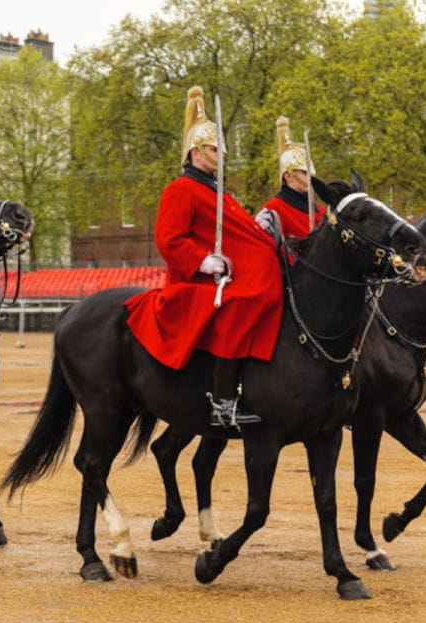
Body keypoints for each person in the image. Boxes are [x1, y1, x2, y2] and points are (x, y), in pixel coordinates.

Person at [123, 87, 284, 428]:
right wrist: (203, 260)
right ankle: (223, 402)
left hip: (227, 275)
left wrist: (260, 228)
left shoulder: (217, 191)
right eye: (214, 149)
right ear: (196, 152)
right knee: (239, 304)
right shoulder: (180, 189)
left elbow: (238, 233)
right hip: (198, 280)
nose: (220, 154)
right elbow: (169, 239)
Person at [255, 116, 325, 239]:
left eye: (311, 174)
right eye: (304, 173)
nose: (310, 179)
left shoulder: (322, 211)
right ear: (288, 176)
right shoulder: (272, 210)